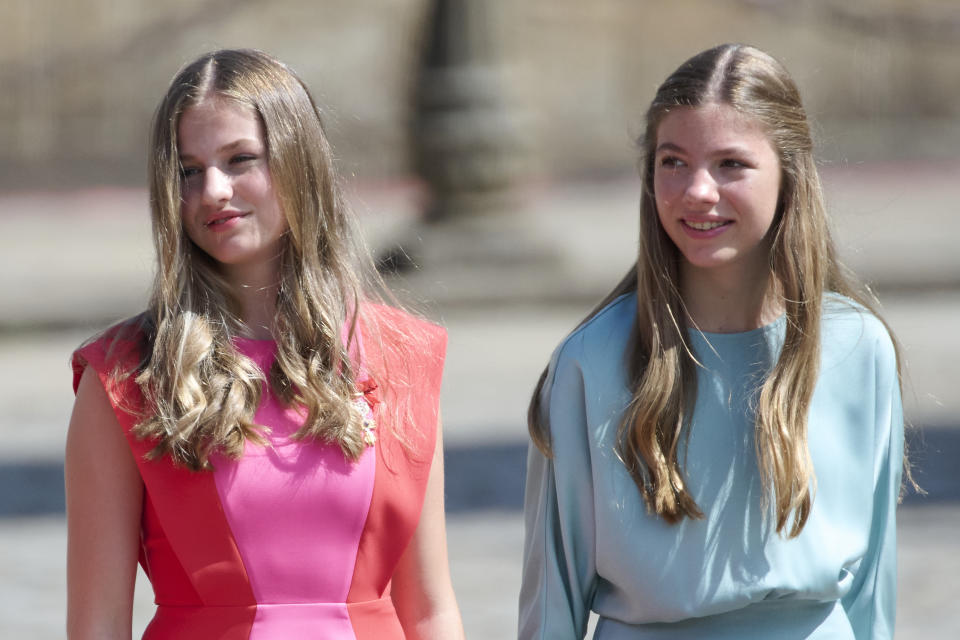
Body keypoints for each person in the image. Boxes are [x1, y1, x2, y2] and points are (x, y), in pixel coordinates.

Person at [65, 49, 465, 640]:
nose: (213, 191)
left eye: (240, 159)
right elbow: (97, 625)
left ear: (299, 163)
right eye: (188, 170)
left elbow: (430, 610)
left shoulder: (402, 356)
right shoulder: (124, 377)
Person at [519, 43, 910, 639]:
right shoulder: (589, 362)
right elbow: (554, 599)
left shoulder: (858, 348)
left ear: (790, 174)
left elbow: (873, 589)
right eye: (673, 161)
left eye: (731, 164)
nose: (697, 190)